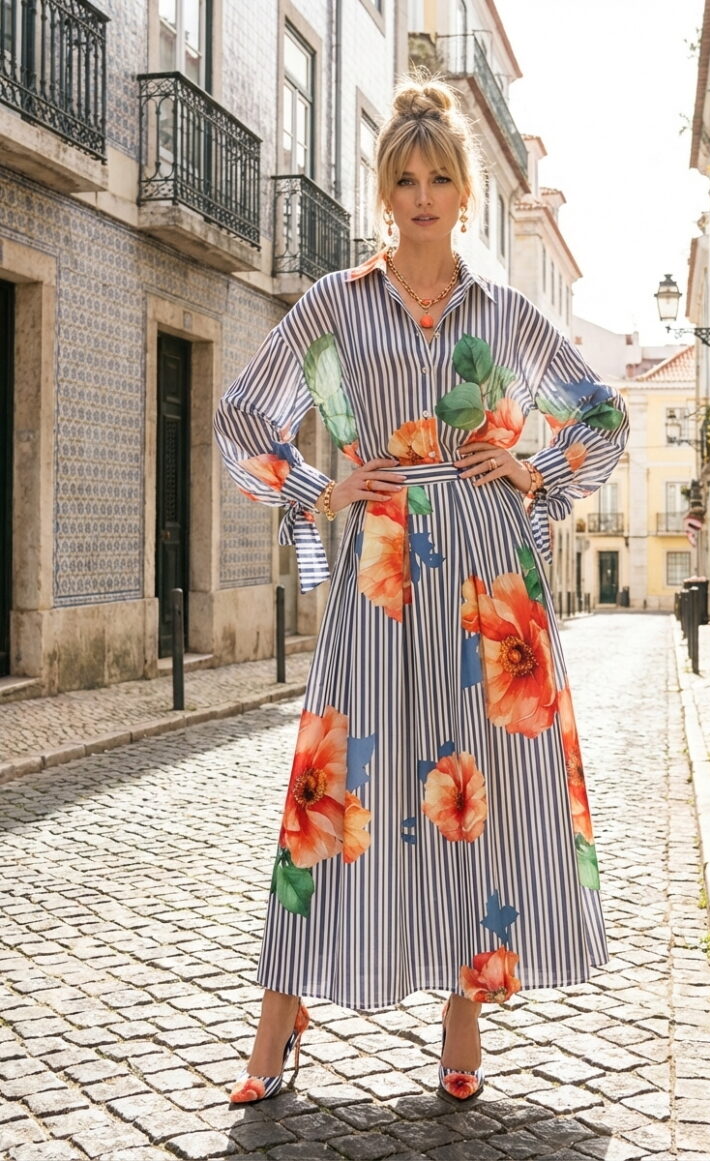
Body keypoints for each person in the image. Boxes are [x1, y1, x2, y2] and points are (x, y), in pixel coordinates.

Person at [214, 75, 629, 1106]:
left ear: (464, 192)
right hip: (384, 571)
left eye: (439, 177)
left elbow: (602, 415)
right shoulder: (336, 303)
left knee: (473, 790)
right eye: (404, 179)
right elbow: (243, 415)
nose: (422, 195)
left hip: (490, 579)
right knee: (337, 782)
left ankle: (461, 1006)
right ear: (384, 191)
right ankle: (280, 1011)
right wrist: (321, 488)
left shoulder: (504, 311)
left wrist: (532, 469)